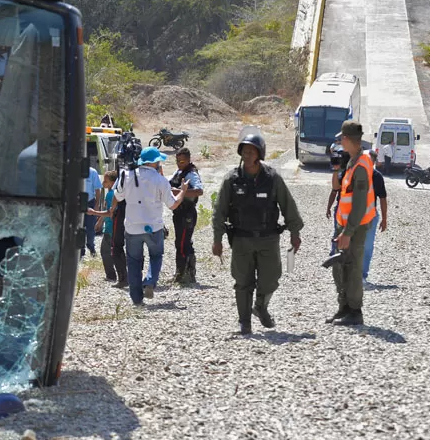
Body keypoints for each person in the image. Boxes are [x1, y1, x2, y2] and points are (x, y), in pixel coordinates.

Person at [212, 134, 303, 335]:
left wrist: (295, 233)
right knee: (242, 282)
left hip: (268, 238)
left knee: (271, 279)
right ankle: (244, 322)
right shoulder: (232, 180)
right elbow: (219, 212)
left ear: (259, 154)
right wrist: (217, 239)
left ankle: (260, 306)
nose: (247, 153)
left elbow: (288, 206)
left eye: (251, 150)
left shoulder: (272, 179)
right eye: (244, 149)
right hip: (241, 240)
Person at [114, 147, 190, 305]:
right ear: (155, 162)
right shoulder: (160, 180)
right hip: (153, 227)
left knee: (133, 262)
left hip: (132, 227)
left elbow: (118, 196)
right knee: (156, 256)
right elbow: (173, 205)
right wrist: (183, 191)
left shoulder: (127, 175)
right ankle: (149, 282)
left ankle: (136, 299)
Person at [327, 121, 375, 326]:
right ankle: (344, 307)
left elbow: (360, 204)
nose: (339, 142)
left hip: (354, 227)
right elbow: (342, 191)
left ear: (347, 139)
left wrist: (347, 232)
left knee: (353, 267)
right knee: (340, 266)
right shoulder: (353, 161)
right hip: (345, 226)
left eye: (341, 139)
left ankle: (355, 311)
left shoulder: (361, 165)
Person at [169, 148, 204, 284]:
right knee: (182, 242)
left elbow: (199, 191)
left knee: (183, 243)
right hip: (178, 212)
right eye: (177, 161)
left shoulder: (191, 174)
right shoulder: (178, 172)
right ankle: (183, 273)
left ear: (189, 160)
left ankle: (183, 275)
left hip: (187, 213)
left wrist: (179, 192)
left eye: (182, 161)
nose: (179, 163)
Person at [86, 171, 120, 282]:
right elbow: (107, 210)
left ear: (112, 182)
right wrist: (100, 221)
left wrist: (94, 213)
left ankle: (111, 275)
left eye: (105, 181)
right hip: (110, 227)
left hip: (110, 228)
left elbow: (109, 212)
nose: (103, 183)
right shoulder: (113, 193)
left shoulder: (111, 194)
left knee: (105, 251)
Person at [362, 150, 388, 288]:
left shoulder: (377, 177)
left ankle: (362, 276)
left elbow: (383, 199)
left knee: (367, 247)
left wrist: (384, 219)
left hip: (371, 217)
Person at [82, 166, 103, 259]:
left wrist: (97, 204)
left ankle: (91, 246)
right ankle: (80, 250)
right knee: (79, 227)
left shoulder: (92, 172)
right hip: (77, 202)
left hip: (90, 202)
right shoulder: (73, 170)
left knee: (91, 227)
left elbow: (97, 190)